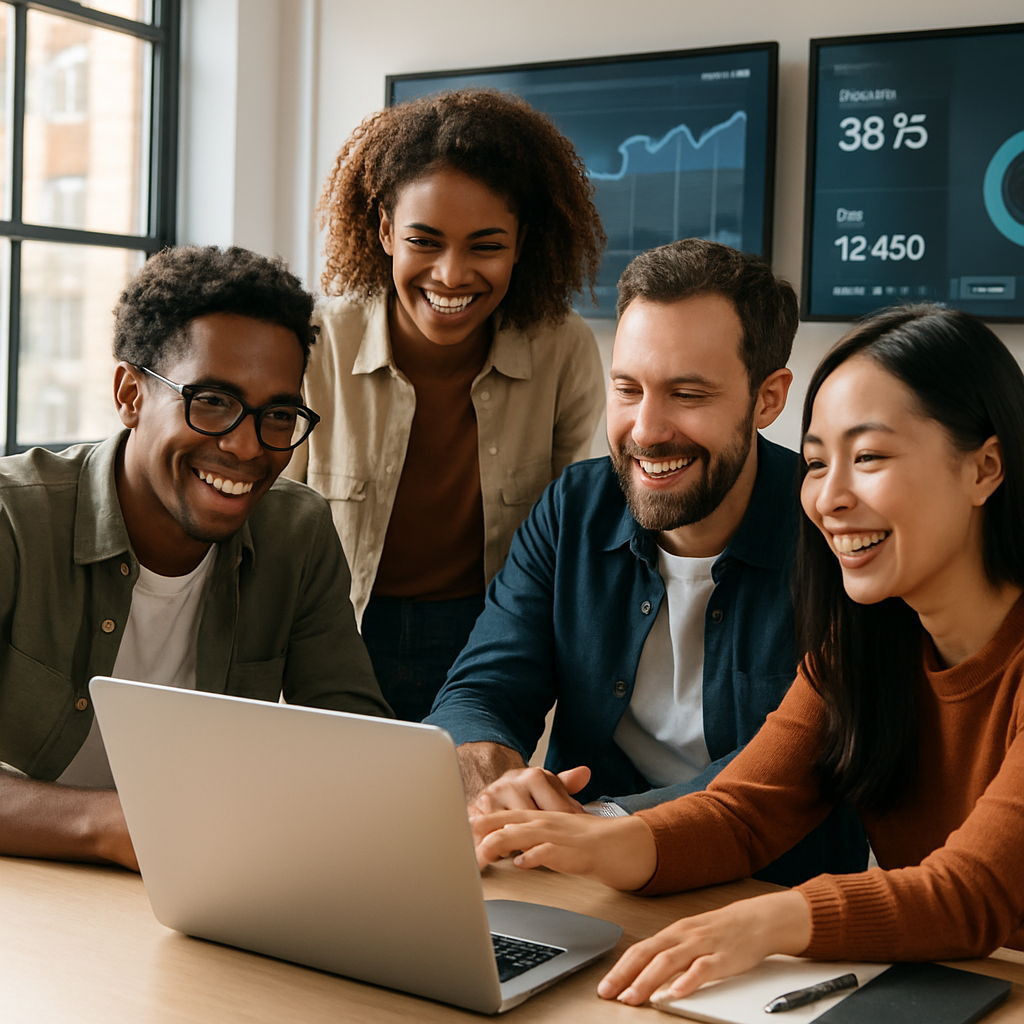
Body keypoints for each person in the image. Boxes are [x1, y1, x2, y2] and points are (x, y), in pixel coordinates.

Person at [473, 304, 1024, 1005]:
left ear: (986, 468)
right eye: (819, 462)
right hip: (965, 988)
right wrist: (591, 841)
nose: (829, 498)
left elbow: (974, 894)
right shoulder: (866, 640)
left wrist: (774, 919)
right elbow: (744, 813)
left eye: (871, 457)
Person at [426, 238, 866, 886]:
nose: (646, 429)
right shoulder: (574, 506)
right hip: (583, 888)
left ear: (768, 399)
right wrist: (484, 772)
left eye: (687, 394)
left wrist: (596, 827)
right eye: (628, 388)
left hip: (768, 906)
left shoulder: (840, 538)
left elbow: (794, 777)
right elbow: (483, 687)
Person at [0, 245, 392, 872]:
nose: (246, 446)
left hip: (200, 887)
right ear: (130, 394)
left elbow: (356, 746)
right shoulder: (12, 518)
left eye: (279, 415)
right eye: (211, 400)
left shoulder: (299, 533)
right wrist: (109, 824)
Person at [284, 89, 606, 721]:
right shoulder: (316, 343)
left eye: (485, 245)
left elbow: (575, 532)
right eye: (424, 241)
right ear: (384, 231)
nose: (452, 275)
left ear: (522, 243)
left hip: (488, 638)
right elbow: (273, 521)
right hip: (335, 629)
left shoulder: (564, 350)